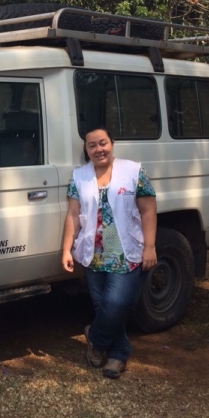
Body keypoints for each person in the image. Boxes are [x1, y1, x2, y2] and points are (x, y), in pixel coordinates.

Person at [61, 126, 157, 379]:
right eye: (92, 145)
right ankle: (119, 354)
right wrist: (66, 250)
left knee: (117, 304)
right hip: (94, 254)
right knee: (103, 305)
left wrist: (150, 246)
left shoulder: (134, 171)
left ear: (112, 143)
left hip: (126, 252)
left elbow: (148, 211)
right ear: (86, 150)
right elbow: (73, 215)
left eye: (102, 143)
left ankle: (95, 337)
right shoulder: (79, 176)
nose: (98, 149)